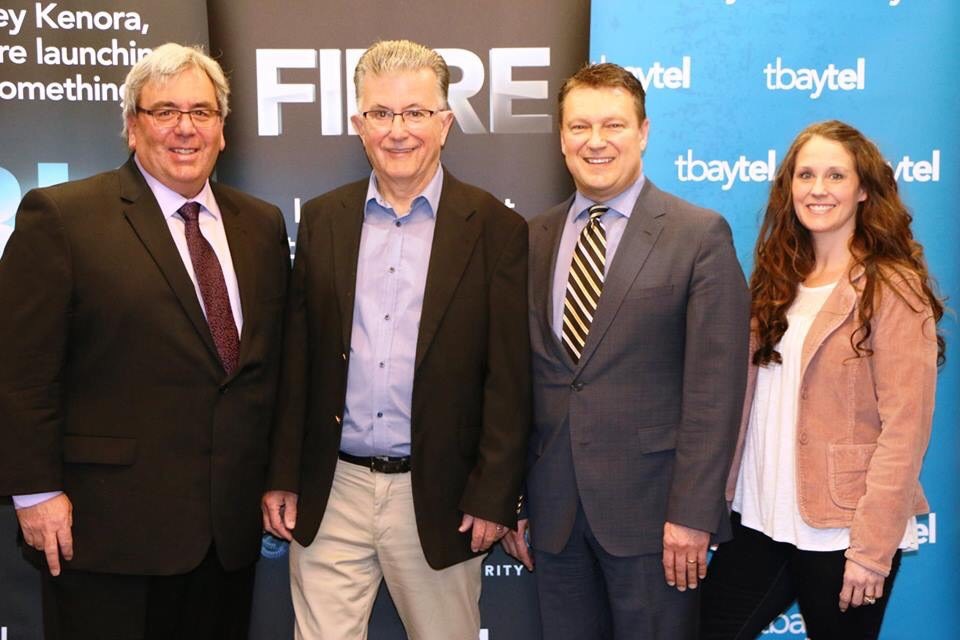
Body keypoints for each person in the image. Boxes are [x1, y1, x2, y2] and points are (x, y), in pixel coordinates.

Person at [0, 43, 290, 638]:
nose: (185, 128)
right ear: (132, 127)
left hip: (224, 537)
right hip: (104, 532)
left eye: (203, 112)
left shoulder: (260, 225)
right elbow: (20, 367)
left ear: (223, 130)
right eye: (164, 111)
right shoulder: (62, 216)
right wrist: (35, 490)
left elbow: (267, 371)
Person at [262, 39, 530, 640]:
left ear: (445, 123)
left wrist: (494, 494)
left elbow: (508, 379)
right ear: (358, 124)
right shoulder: (325, 218)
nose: (397, 130)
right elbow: (298, 360)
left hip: (438, 493)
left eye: (415, 113)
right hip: (333, 489)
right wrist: (282, 472)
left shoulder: (496, 229)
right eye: (380, 113)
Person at [501, 62, 750, 640]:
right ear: (561, 137)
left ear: (643, 131)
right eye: (579, 126)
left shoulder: (698, 234)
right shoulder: (532, 238)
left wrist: (693, 514)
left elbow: (716, 393)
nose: (595, 141)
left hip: (655, 520)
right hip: (554, 515)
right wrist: (514, 496)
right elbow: (519, 381)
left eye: (613, 125)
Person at [700, 120, 944, 639]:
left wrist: (872, 552)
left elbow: (905, 430)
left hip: (844, 531)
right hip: (759, 519)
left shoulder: (893, 287)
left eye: (836, 175)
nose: (818, 189)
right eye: (805, 175)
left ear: (862, 190)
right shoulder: (775, 280)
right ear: (788, 188)